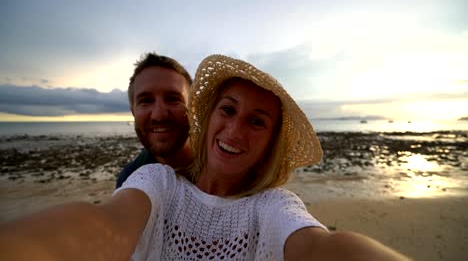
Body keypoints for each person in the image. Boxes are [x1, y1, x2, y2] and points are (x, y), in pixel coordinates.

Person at [0, 55, 410, 261]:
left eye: (257, 121)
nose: (233, 132)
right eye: (227, 110)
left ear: (190, 109)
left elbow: (321, 246)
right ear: (209, 114)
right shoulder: (149, 178)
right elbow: (105, 225)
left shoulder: (273, 207)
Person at [116, 52, 194, 188]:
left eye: (173, 99)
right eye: (146, 101)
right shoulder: (129, 180)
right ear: (133, 112)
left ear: (193, 108)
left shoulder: (226, 166)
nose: (159, 115)